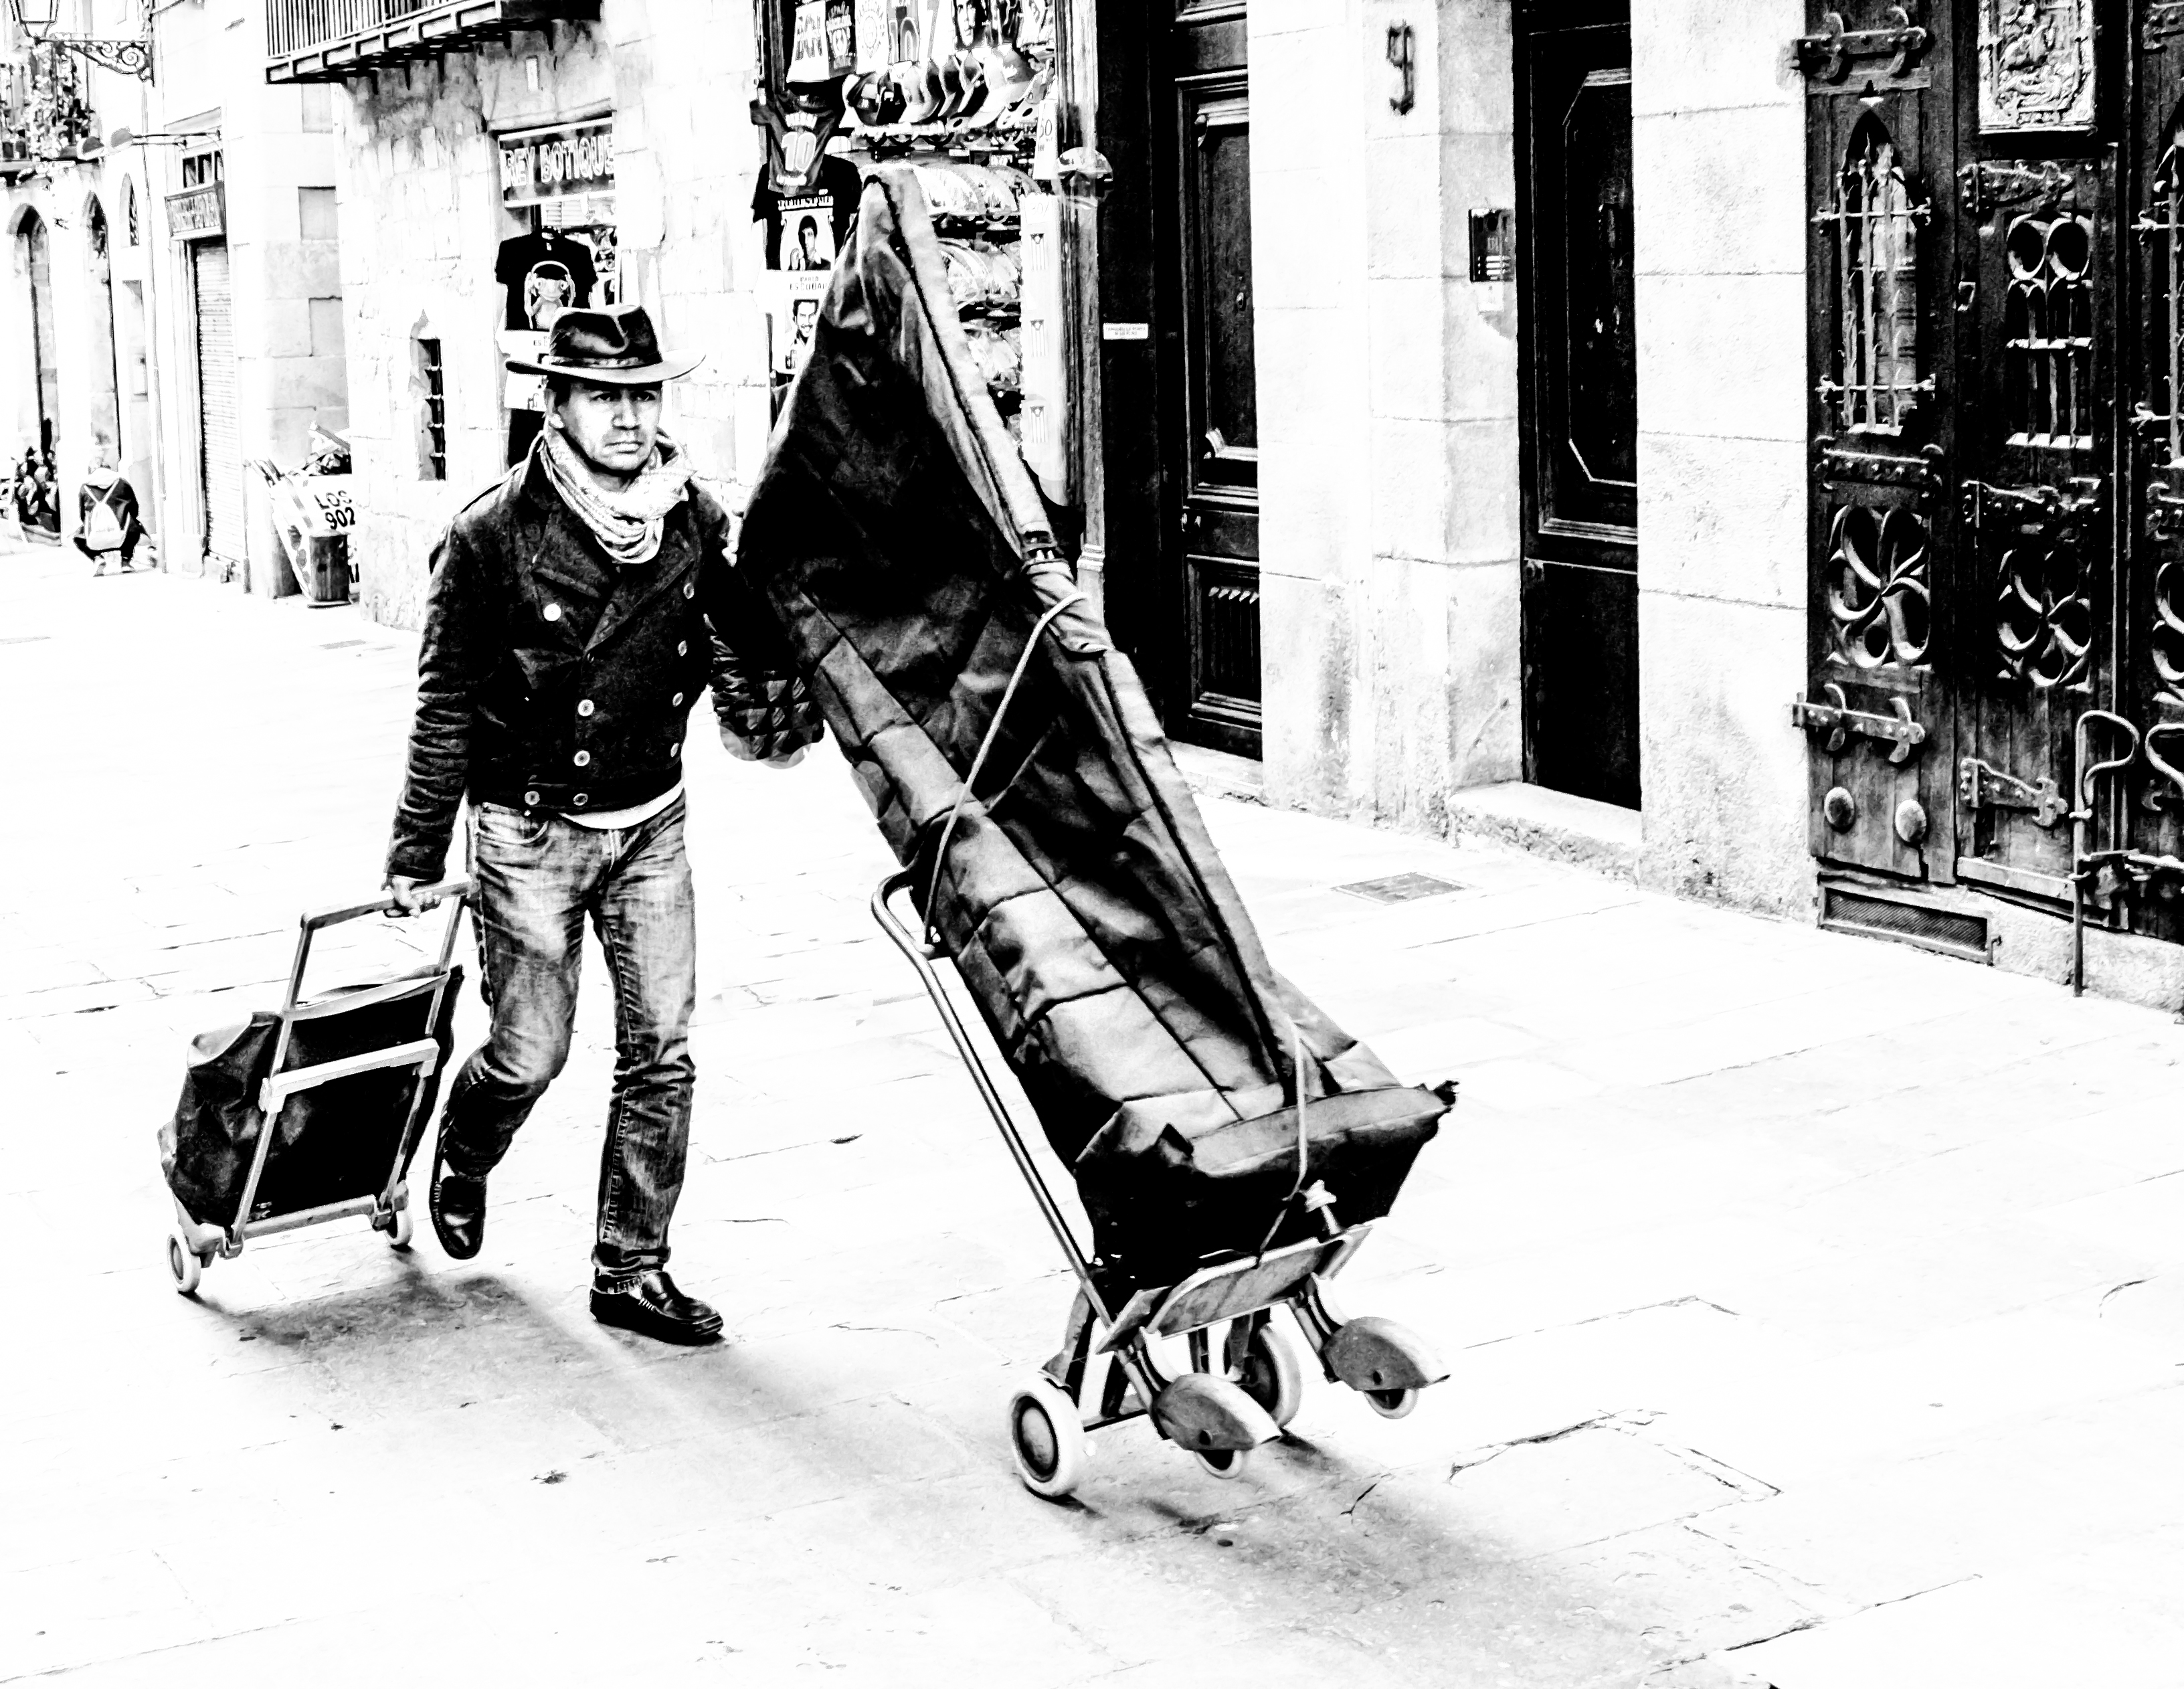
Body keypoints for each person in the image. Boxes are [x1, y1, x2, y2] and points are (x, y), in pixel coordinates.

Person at [383, 304, 816, 1346]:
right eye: (604, 397)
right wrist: (415, 849)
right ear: (557, 405)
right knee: (529, 1055)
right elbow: (444, 701)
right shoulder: (491, 536)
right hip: (529, 833)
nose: (629, 418)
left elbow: (749, 630)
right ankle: (467, 1149)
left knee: (662, 1049)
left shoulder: (691, 516)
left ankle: (631, 1267)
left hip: (651, 821)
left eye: (644, 396)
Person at [74, 438, 144, 575]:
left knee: (77, 538)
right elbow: (134, 508)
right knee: (135, 527)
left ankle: (97, 558)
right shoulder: (122, 483)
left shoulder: (85, 487)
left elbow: (82, 515)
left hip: (95, 537)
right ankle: (125, 561)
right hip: (124, 534)